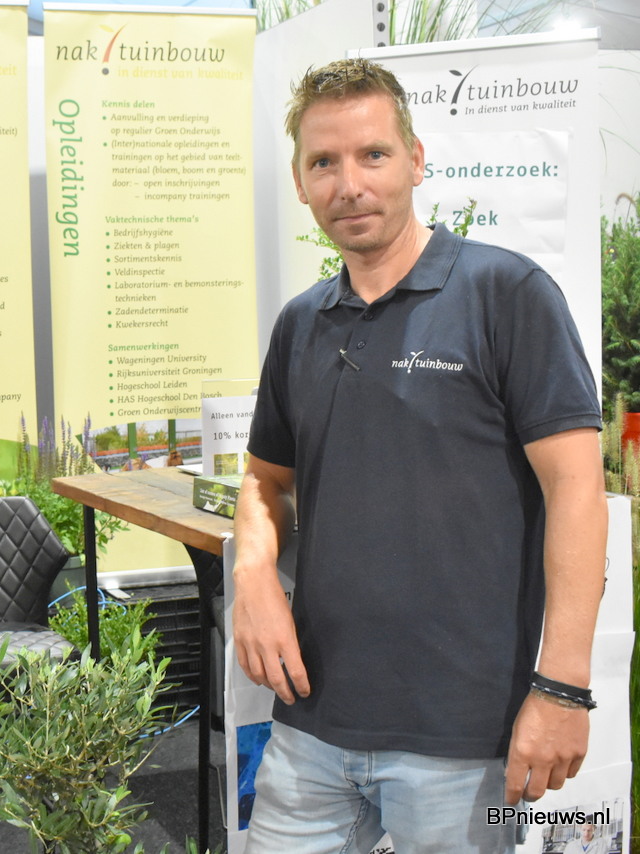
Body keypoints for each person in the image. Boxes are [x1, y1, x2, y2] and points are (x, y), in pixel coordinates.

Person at [231, 58, 607, 854]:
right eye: (323, 163)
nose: (349, 184)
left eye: (373, 154)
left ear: (416, 160)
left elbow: (576, 492)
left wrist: (564, 688)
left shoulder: (507, 294)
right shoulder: (301, 324)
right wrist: (254, 573)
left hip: (464, 740)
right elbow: (265, 479)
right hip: (311, 722)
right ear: (299, 182)